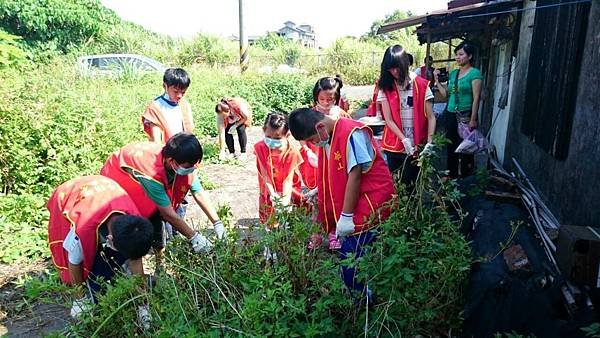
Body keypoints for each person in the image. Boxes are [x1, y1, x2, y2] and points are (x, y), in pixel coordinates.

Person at [289, 108, 395, 302]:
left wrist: (345, 217)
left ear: (320, 126)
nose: (314, 144)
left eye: (312, 139)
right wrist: (320, 190)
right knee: (354, 258)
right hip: (356, 206)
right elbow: (336, 173)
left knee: (352, 261)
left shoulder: (350, 133)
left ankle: (364, 302)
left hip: (369, 205)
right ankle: (364, 297)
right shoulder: (330, 136)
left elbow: (354, 175)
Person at [100, 133, 225, 262]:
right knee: (128, 236)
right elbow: (167, 213)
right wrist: (194, 238)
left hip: (141, 182)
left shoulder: (180, 159)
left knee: (156, 224)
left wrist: (217, 223)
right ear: (171, 161)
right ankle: (128, 271)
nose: (191, 169)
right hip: (117, 184)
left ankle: (160, 263)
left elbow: (198, 192)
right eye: (188, 167)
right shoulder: (150, 172)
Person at [47, 175, 154, 323]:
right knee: (90, 283)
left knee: (107, 269)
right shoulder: (82, 230)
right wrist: (80, 298)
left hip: (104, 188)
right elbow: (74, 262)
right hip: (69, 194)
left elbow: (136, 261)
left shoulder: (135, 224)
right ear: (109, 239)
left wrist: (143, 305)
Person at [300, 76, 351, 249]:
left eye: (330, 99)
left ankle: (334, 233)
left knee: (336, 198)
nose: (326, 103)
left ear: (336, 98)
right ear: (316, 98)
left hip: (336, 164)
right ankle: (316, 234)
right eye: (322, 99)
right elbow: (301, 136)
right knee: (317, 201)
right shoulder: (311, 114)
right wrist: (307, 151)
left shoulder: (341, 115)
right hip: (316, 164)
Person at [377, 45, 436, 187]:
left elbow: (431, 117)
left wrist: (429, 142)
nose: (394, 72)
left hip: (417, 143)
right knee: (395, 185)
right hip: (395, 143)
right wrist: (404, 139)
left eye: (397, 67)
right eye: (390, 68)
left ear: (405, 64)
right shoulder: (386, 86)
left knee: (411, 185)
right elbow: (388, 119)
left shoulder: (421, 85)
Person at [434, 41, 483, 178]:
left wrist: (473, 119)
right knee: (451, 145)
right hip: (450, 113)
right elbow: (446, 95)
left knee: (466, 146)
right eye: (456, 55)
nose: (457, 57)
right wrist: (437, 81)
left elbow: (477, 97)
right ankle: (452, 174)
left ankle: (467, 176)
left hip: (465, 115)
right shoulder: (454, 74)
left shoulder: (474, 73)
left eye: (461, 54)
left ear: (470, 56)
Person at [254, 113, 304, 228]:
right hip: (268, 188)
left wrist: (285, 199)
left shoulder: (292, 152)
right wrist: (273, 195)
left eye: (277, 138)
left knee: (290, 219)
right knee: (269, 218)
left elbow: (288, 180)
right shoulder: (260, 147)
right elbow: (265, 175)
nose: (272, 141)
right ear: (263, 131)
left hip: (288, 188)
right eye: (268, 137)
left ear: (287, 135)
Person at [142, 68, 194, 143]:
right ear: (165, 86)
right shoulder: (155, 108)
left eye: (183, 92)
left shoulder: (184, 104)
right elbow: (156, 142)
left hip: (183, 150)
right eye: (175, 91)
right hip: (166, 151)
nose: (179, 95)